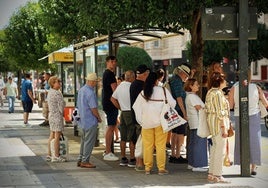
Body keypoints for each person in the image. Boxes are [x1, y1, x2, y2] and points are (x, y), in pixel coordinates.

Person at [133, 72, 176, 175]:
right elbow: (173, 103)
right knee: (160, 145)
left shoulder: (143, 92)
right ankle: (161, 168)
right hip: (161, 122)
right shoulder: (163, 90)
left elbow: (136, 107)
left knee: (147, 146)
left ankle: (148, 168)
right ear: (157, 80)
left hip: (146, 123)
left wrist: (141, 120)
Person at [228, 69, 267, 176]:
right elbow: (266, 103)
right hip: (254, 115)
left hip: (239, 115)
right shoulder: (256, 88)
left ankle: (242, 165)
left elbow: (230, 106)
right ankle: (253, 167)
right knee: (255, 140)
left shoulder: (234, 88)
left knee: (240, 139)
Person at [205, 72, 230, 183]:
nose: (226, 82)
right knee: (220, 150)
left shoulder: (210, 92)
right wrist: (224, 127)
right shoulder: (218, 94)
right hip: (219, 124)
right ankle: (218, 175)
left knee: (215, 149)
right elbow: (220, 112)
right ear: (220, 81)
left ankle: (212, 173)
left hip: (212, 124)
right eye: (224, 80)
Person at [111, 70, 136, 167]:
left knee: (123, 137)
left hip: (123, 113)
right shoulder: (132, 86)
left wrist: (120, 107)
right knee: (132, 136)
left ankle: (123, 157)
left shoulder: (120, 86)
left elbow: (113, 99)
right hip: (131, 112)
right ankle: (132, 158)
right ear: (132, 77)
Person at [77, 73, 102, 168]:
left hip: (82, 120)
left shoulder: (82, 90)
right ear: (91, 82)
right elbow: (93, 108)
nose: (95, 84)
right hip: (90, 120)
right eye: (95, 82)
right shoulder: (90, 93)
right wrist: (99, 118)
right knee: (89, 142)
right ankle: (85, 161)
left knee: (83, 141)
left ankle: (80, 158)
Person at [169, 63, 191, 163]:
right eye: (186, 75)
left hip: (174, 110)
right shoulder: (177, 81)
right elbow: (179, 98)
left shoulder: (174, 79)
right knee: (180, 133)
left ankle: (173, 154)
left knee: (174, 132)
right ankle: (177, 155)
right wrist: (184, 112)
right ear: (181, 72)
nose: (186, 77)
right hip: (179, 110)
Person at [184, 78, 208, 172]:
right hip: (198, 123)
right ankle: (198, 164)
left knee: (193, 143)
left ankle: (192, 163)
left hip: (194, 123)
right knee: (199, 144)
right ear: (191, 86)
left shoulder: (190, 96)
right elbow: (199, 108)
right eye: (196, 84)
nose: (198, 86)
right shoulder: (192, 97)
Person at [130, 64, 150, 171]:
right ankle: (139, 162)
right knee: (140, 139)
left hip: (135, 116)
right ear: (145, 74)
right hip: (141, 117)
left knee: (137, 138)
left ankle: (138, 161)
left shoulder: (133, 84)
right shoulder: (141, 86)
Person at [102, 55, 119, 161]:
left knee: (111, 126)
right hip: (111, 103)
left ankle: (108, 150)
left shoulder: (106, 73)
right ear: (107, 62)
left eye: (114, 61)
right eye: (111, 61)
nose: (113, 63)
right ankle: (108, 151)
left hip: (107, 103)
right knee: (111, 127)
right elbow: (115, 90)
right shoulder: (110, 74)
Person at [46, 76, 66, 162]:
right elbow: (61, 107)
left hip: (51, 115)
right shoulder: (58, 93)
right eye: (58, 82)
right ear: (53, 83)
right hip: (57, 116)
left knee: (52, 135)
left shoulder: (50, 92)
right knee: (57, 136)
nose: (60, 84)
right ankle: (56, 156)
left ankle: (49, 154)